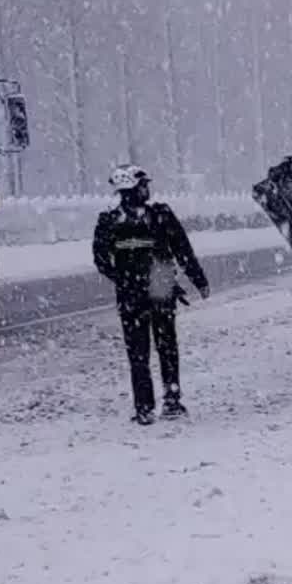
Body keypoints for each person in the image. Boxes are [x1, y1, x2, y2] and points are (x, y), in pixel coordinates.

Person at [92, 164, 209, 425]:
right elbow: (182, 249)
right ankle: (171, 399)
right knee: (164, 345)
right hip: (160, 281)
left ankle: (145, 407)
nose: (147, 190)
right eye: (143, 185)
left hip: (133, 290)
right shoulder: (160, 215)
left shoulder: (109, 220)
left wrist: (122, 277)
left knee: (139, 351)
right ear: (133, 189)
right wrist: (198, 280)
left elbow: (101, 259)